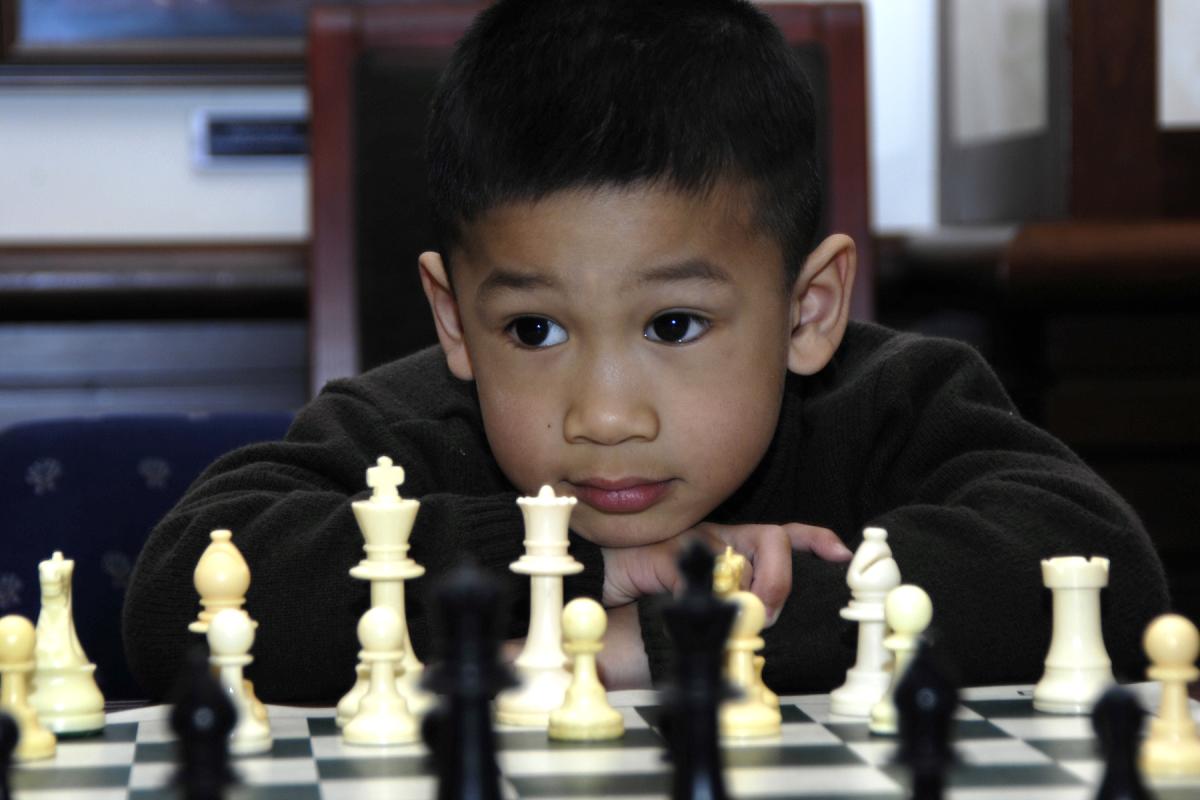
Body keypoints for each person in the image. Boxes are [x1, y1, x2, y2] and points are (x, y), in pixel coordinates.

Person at [122, 0, 1168, 702]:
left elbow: (1106, 578)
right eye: (533, 330)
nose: (605, 413)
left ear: (809, 311)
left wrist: (670, 638)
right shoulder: (402, 431)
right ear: (453, 318)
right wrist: (581, 566)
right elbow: (176, 596)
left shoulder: (895, 398)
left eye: (673, 324)